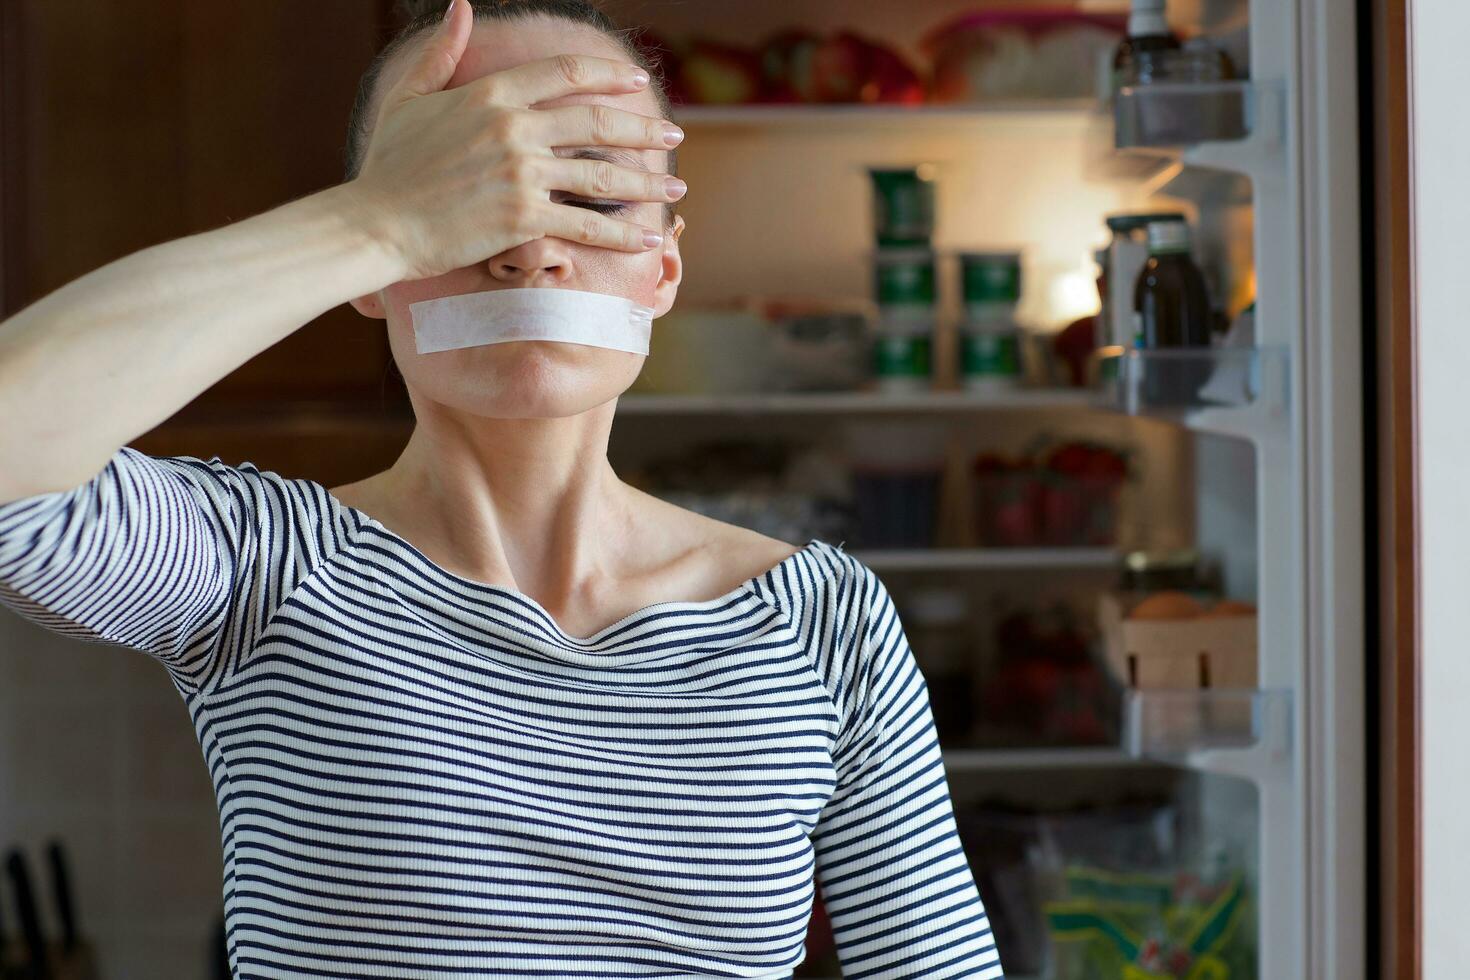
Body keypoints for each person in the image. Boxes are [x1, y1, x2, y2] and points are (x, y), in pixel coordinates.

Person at [0, 0, 1005, 977]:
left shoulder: (825, 620)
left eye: (593, 195)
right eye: (463, 199)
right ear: (369, 267)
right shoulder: (259, 569)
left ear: (660, 271)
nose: (530, 249)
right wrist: (379, 217)